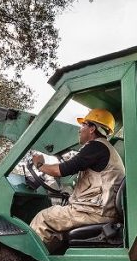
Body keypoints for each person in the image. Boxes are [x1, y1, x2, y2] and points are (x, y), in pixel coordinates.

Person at [29, 108, 125, 253]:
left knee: (43, 218)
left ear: (92, 128)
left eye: (83, 125)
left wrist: (40, 165)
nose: (79, 130)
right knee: (58, 225)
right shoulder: (107, 150)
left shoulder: (96, 147)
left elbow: (61, 170)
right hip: (104, 211)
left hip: (94, 212)